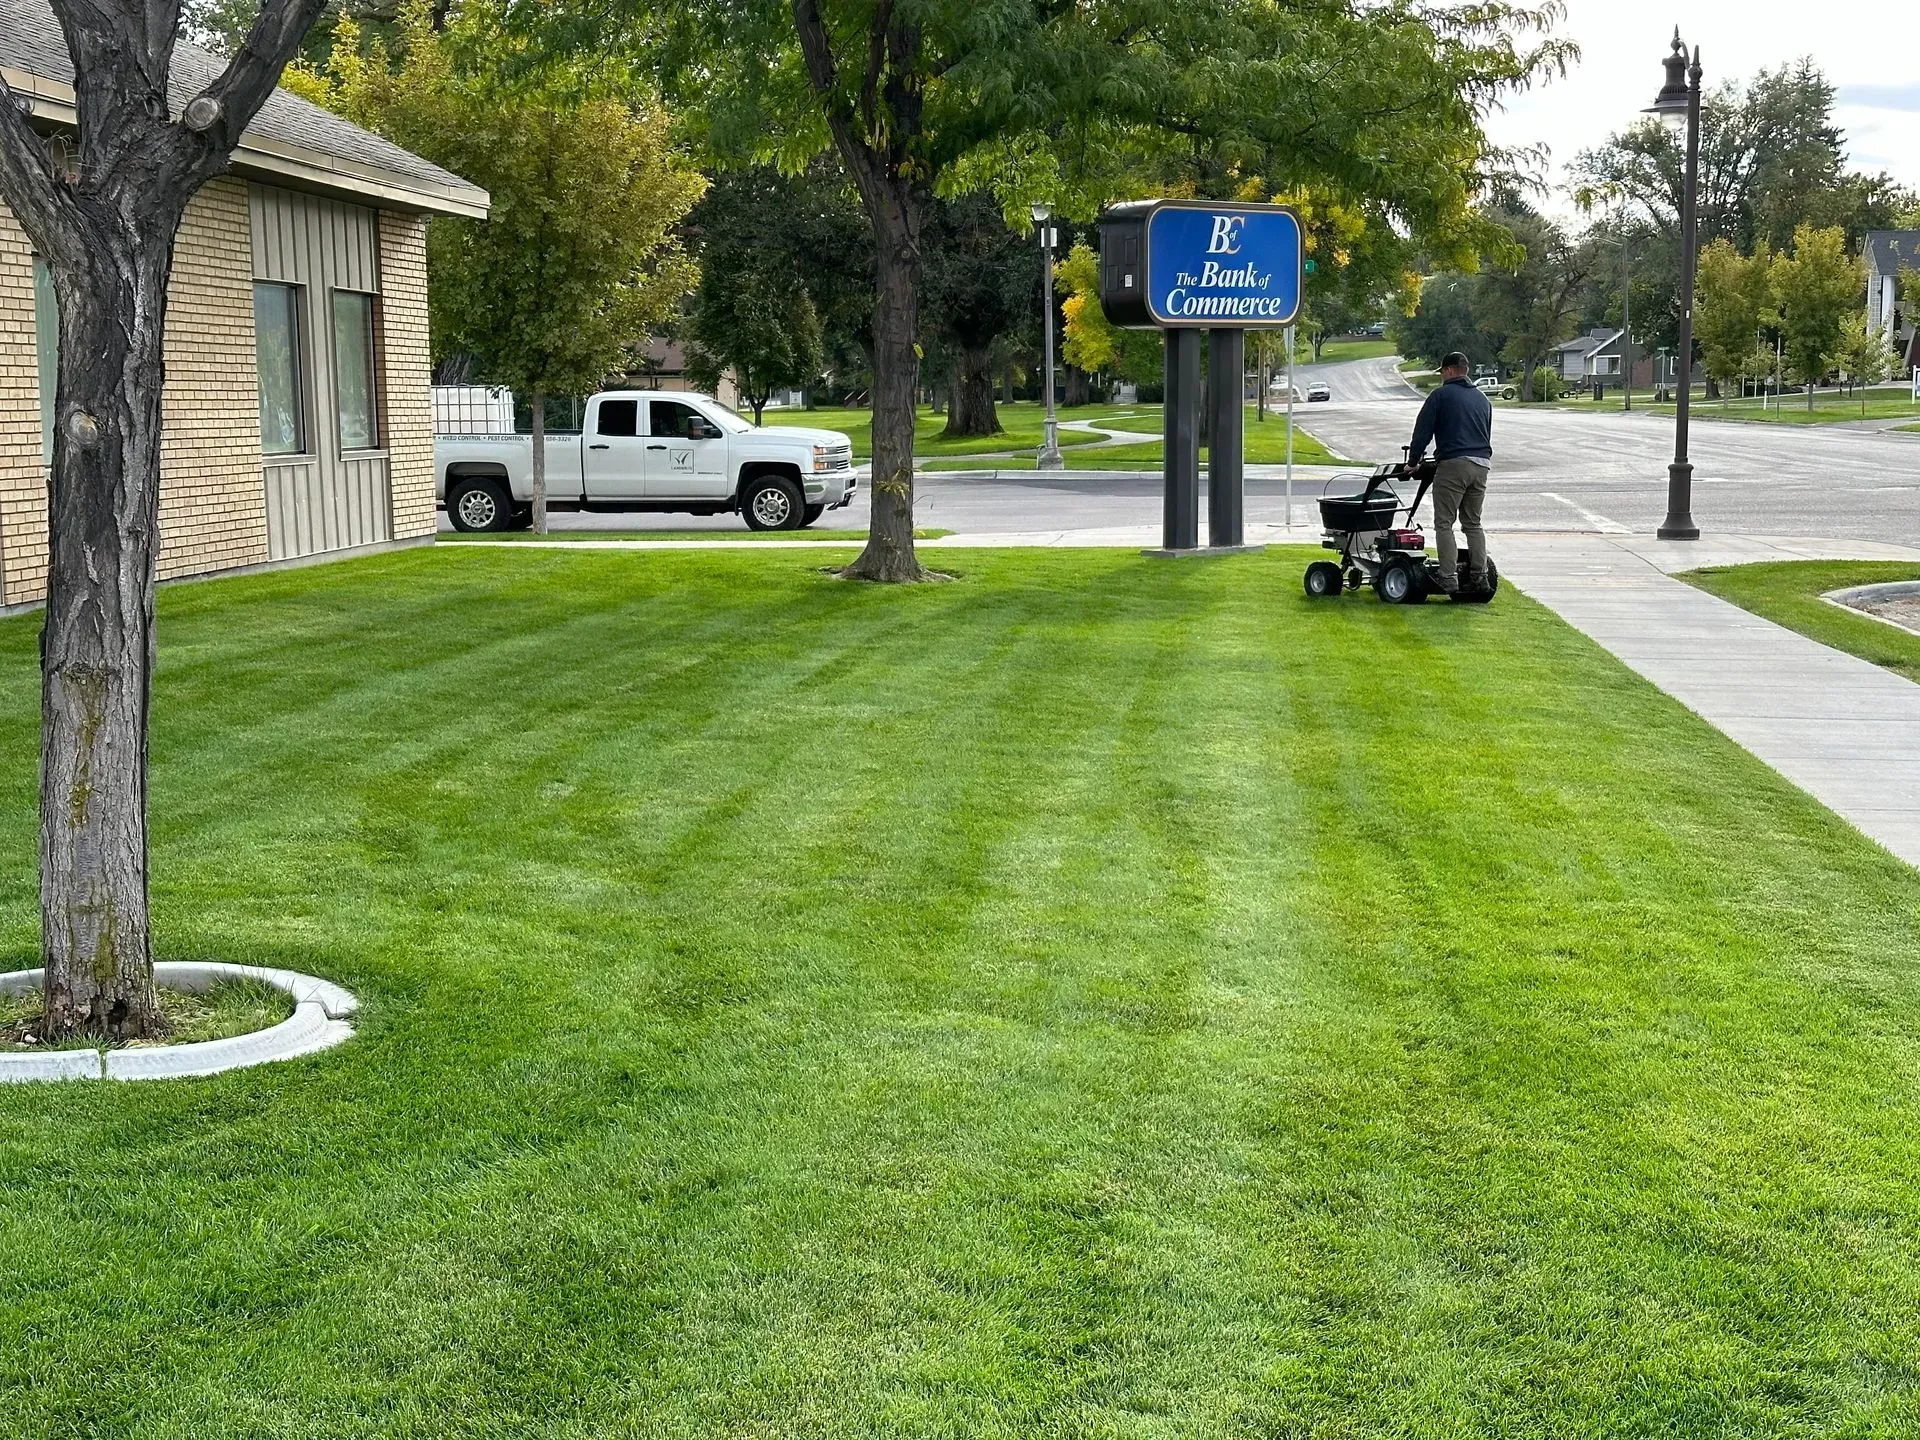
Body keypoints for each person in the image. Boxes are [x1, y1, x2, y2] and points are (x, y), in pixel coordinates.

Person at [1406, 351, 1493, 594]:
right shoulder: (1482, 399)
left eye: (1442, 371)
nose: (1442, 376)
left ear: (1450, 370)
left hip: (1454, 465)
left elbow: (1423, 431)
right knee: (1473, 523)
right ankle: (1479, 577)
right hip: (1482, 465)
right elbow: (1485, 433)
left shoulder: (1440, 396)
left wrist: (1413, 462)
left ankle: (1448, 577)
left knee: (1444, 522)